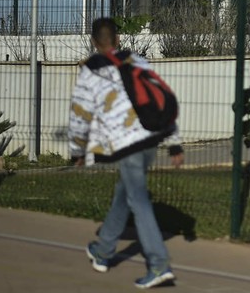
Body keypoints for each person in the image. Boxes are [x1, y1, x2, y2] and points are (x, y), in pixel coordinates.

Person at [69, 17, 184, 289]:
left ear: (95, 43)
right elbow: (160, 97)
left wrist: (77, 150)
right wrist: (174, 142)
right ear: (118, 39)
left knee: (138, 199)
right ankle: (104, 250)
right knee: (125, 192)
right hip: (152, 136)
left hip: (127, 144)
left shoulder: (91, 71)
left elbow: (80, 114)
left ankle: (158, 264)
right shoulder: (136, 60)